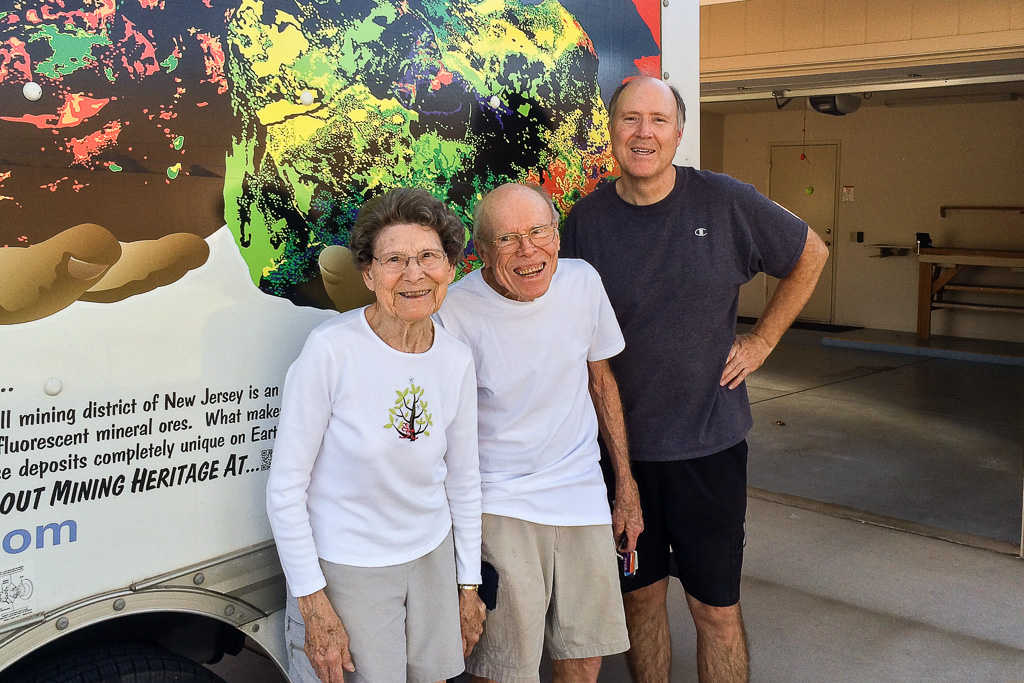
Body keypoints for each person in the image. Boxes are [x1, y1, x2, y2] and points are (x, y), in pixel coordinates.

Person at [561, 77, 829, 683]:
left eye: (658, 120)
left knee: (715, 610)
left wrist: (762, 340)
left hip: (709, 448)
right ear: (611, 132)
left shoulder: (725, 201)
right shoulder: (586, 222)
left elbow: (811, 252)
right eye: (631, 119)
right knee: (640, 601)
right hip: (619, 454)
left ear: (679, 133)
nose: (644, 132)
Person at [266, 187, 486, 683]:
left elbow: (464, 481)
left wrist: (467, 584)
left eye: (430, 256)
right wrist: (314, 605)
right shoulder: (330, 352)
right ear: (368, 274)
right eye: (394, 260)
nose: (414, 274)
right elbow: (285, 491)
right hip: (349, 567)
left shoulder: (455, 360)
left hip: (432, 558)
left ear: (450, 268)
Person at [435, 183, 644, 683]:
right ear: (481, 252)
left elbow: (600, 381)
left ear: (556, 235)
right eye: (507, 239)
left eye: (538, 232)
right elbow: (445, 430)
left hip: (581, 495)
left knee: (585, 653)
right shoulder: (454, 311)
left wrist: (626, 487)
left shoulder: (583, 282)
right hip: (501, 501)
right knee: (507, 668)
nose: (528, 251)